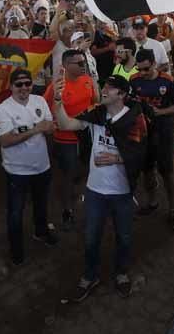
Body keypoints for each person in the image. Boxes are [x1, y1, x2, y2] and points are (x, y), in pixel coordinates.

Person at [54, 75, 148, 302]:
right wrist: (57, 101)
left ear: (122, 95)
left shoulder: (136, 119)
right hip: (95, 190)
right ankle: (89, 276)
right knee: (91, 238)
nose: (103, 90)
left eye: (110, 88)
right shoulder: (96, 114)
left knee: (124, 237)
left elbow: (141, 154)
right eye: (104, 86)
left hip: (122, 192)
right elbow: (66, 124)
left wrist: (117, 158)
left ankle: (122, 274)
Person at [0, 69, 58, 266]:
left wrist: (39, 128)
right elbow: (5, 140)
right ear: (11, 86)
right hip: (17, 171)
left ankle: (41, 232)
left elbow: (51, 126)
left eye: (27, 83)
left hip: (42, 165)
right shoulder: (3, 110)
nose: (24, 88)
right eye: (19, 84)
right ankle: (16, 250)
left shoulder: (39, 101)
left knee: (41, 204)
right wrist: (36, 129)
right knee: (15, 212)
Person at [43, 49, 99, 230]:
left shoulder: (88, 81)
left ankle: (81, 195)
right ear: (66, 65)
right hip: (65, 139)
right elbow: (44, 108)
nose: (84, 66)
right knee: (67, 175)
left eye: (84, 62)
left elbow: (96, 103)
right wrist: (52, 122)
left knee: (85, 169)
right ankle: (67, 209)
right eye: (79, 63)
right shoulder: (57, 87)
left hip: (87, 135)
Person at [130, 49, 174, 230]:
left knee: (167, 171)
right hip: (143, 132)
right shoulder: (134, 80)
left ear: (154, 63)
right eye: (140, 69)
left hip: (163, 131)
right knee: (147, 170)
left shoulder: (167, 81)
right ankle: (152, 202)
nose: (142, 73)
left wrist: (160, 112)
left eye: (146, 69)